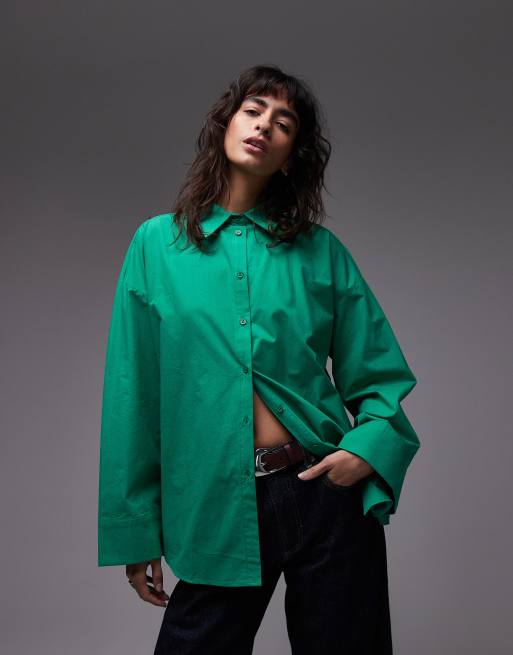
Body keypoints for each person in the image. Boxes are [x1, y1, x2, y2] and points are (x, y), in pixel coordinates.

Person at [97, 64, 420, 654]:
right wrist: (135, 529)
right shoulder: (156, 245)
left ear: (291, 156)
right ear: (225, 124)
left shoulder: (322, 252)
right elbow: (132, 394)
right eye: (253, 111)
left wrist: (365, 450)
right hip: (215, 498)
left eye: (284, 123)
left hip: (325, 492)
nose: (265, 126)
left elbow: (379, 372)